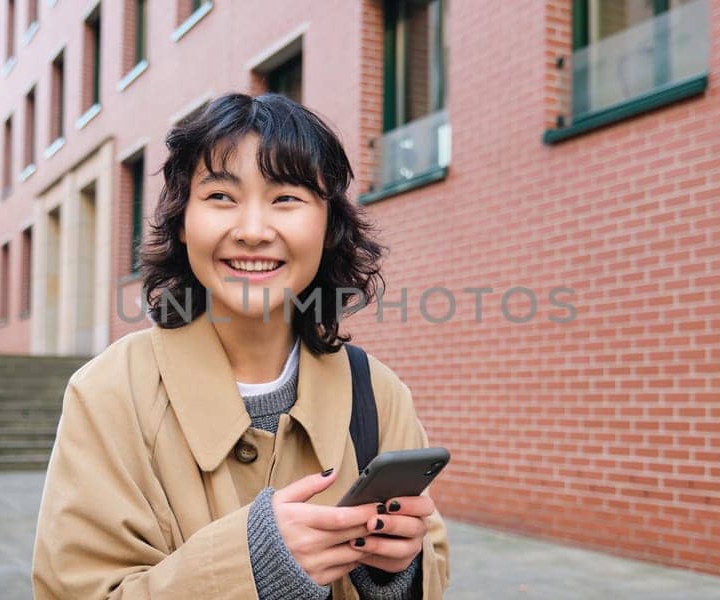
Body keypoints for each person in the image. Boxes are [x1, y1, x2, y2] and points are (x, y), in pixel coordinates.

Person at [31, 93, 450, 599]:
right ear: (182, 222)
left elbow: (431, 567)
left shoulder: (378, 394)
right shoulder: (109, 393)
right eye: (221, 198)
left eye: (286, 199)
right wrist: (255, 567)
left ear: (328, 225)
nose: (252, 231)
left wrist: (392, 572)